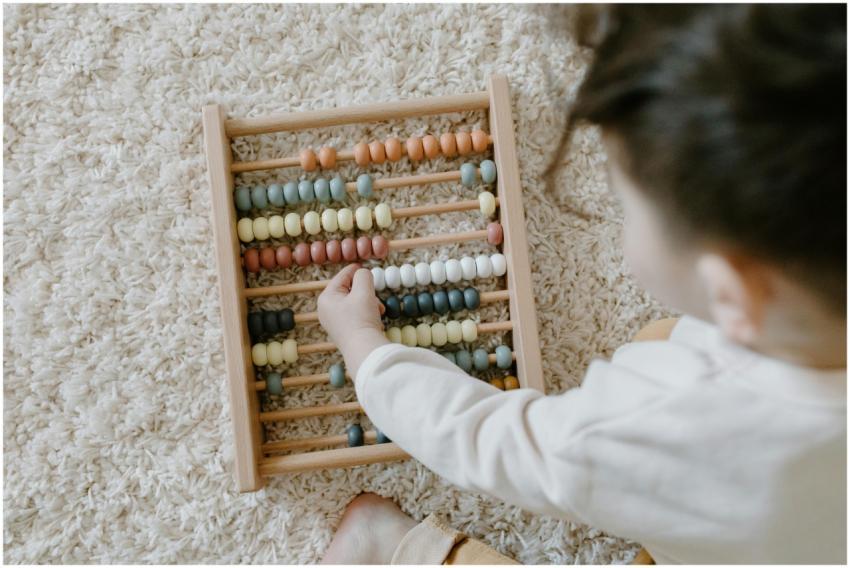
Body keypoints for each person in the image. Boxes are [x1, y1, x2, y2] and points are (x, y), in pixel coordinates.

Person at [318, 4, 846, 564]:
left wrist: (366, 352)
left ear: (732, 292)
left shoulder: (651, 425)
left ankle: (405, 549)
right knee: (661, 341)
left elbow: (485, 440)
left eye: (629, 208)